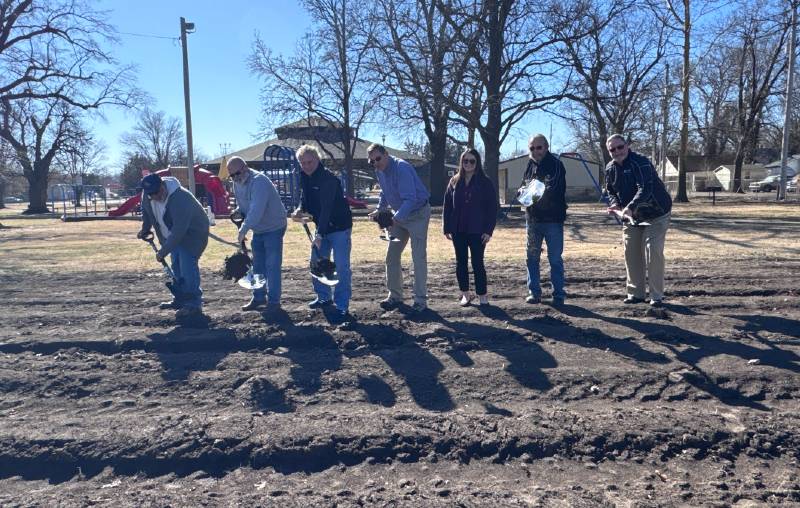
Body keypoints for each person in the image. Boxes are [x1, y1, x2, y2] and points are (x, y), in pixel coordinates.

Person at [604, 134, 672, 307]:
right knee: (631, 253)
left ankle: (656, 296)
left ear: (627, 146)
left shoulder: (640, 162)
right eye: (612, 149)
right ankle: (636, 294)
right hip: (631, 217)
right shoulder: (610, 168)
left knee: (653, 251)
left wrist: (631, 206)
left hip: (656, 213)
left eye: (620, 147)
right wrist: (615, 206)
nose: (617, 151)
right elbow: (610, 191)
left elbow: (646, 188)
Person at [291, 145, 353, 322]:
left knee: (341, 266)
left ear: (318, 160)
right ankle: (323, 297)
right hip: (322, 228)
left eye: (310, 162)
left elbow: (326, 209)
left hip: (339, 227)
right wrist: (299, 209)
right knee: (316, 263)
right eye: (302, 163)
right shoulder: (304, 177)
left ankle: (342, 305)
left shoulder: (328, 179)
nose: (306, 166)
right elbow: (305, 199)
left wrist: (318, 235)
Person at [367, 143, 431, 312]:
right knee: (391, 257)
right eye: (372, 161)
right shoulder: (379, 170)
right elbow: (384, 192)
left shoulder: (402, 168)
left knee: (418, 258)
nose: (376, 163)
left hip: (418, 214)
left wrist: (395, 219)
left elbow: (410, 199)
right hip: (399, 216)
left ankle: (420, 301)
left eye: (378, 158)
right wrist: (379, 210)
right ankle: (395, 296)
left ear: (386, 154)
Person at [137, 172, 209, 318]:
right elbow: (147, 211)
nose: (155, 197)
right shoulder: (148, 195)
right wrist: (145, 229)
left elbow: (179, 230)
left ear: (162, 185)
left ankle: (194, 304)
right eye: (151, 194)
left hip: (191, 235)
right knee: (176, 267)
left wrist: (162, 251)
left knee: (187, 267)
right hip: (171, 236)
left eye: (157, 192)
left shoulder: (180, 198)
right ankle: (180, 299)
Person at [229, 156, 288, 311]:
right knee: (257, 265)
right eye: (232, 175)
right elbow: (244, 205)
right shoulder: (237, 184)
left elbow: (256, 210)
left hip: (274, 226)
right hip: (258, 228)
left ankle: (274, 302)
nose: (235, 177)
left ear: (245, 167)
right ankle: (258, 298)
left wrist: (243, 229)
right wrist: (238, 212)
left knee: (272, 265)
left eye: (237, 173)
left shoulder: (259, 181)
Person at [442, 148, 498, 306]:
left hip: (478, 230)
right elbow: (447, 206)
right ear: (461, 162)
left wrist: (488, 231)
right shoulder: (454, 181)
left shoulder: (485, 182)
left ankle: (482, 295)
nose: (468, 164)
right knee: (461, 263)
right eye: (465, 161)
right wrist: (446, 228)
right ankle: (465, 294)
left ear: (477, 162)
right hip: (458, 229)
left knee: (477, 263)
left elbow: (492, 208)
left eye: (472, 161)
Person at [523, 134, 567, 305]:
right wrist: (523, 193)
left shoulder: (556, 165)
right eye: (532, 148)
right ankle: (534, 292)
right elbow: (524, 186)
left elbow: (551, 190)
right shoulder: (530, 164)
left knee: (554, 258)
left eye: (538, 147)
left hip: (553, 220)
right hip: (533, 221)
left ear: (546, 147)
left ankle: (558, 294)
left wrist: (530, 195)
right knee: (531, 257)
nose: (535, 151)